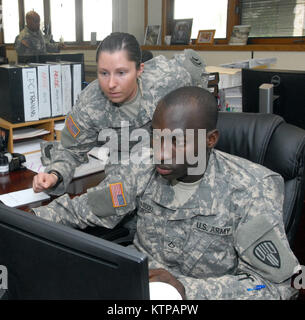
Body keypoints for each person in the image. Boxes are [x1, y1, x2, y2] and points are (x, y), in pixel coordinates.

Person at [32, 86, 300, 300]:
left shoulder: (252, 188)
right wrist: (22, 220)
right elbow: (84, 210)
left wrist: (185, 291)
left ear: (210, 139)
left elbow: (274, 285)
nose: (161, 152)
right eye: (157, 136)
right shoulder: (142, 166)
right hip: (135, 289)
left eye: (177, 141)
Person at [32, 32, 207, 196]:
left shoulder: (169, 78)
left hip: (172, 172)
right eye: (104, 73)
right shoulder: (90, 105)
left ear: (139, 70)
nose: (111, 84)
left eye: (121, 73)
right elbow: (70, 151)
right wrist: (54, 175)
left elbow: (200, 98)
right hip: (124, 178)